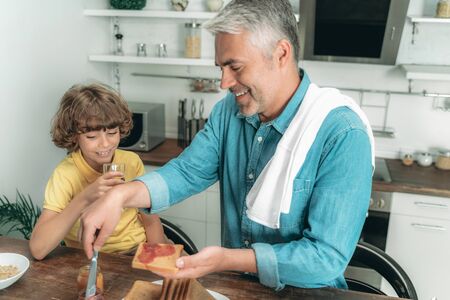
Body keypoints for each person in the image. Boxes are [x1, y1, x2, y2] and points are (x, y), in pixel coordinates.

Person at [80, 0, 374, 290]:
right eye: (221, 67)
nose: (224, 82)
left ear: (281, 53)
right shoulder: (228, 113)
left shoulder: (342, 133)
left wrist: (227, 260)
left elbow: (325, 259)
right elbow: (186, 173)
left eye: (235, 67)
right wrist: (118, 196)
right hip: (236, 289)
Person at [29, 83, 166, 260]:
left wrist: (158, 263)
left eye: (112, 132)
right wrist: (86, 197)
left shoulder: (131, 162)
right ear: (74, 136)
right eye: (92, 137)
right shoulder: (66, 174)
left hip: (135, 252)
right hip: (87, 258)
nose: (105, 144)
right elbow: (38, 249)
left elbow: (151, 222)